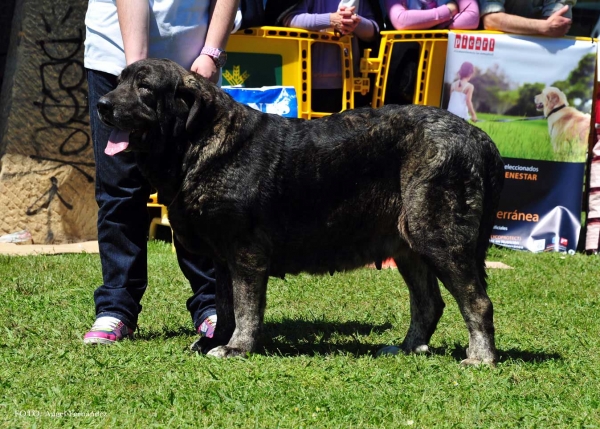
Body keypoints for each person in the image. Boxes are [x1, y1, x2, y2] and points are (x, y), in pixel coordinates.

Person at [82, 0, 239, 346]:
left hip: (192, 68)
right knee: (119, 188)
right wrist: (135, 81)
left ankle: (211, 305)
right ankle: (116, 308)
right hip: (119, 58)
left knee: (201, 192)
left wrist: (212, 53)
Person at [281, 1, 381, 112]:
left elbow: (374, 30)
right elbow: (290, 19)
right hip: (307, 83)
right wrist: (330, 20)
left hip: (351, 83)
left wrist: (355, 21)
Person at [478, 0, 576, 37]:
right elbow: (491, 20)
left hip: (539, 56)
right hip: (493, 53)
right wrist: (542, 27)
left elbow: (557, 27)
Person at [385, 0, 480, 30]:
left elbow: (472, 18)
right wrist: (448, 11)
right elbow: (401, 20)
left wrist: (421, 22)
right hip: (409, 57)